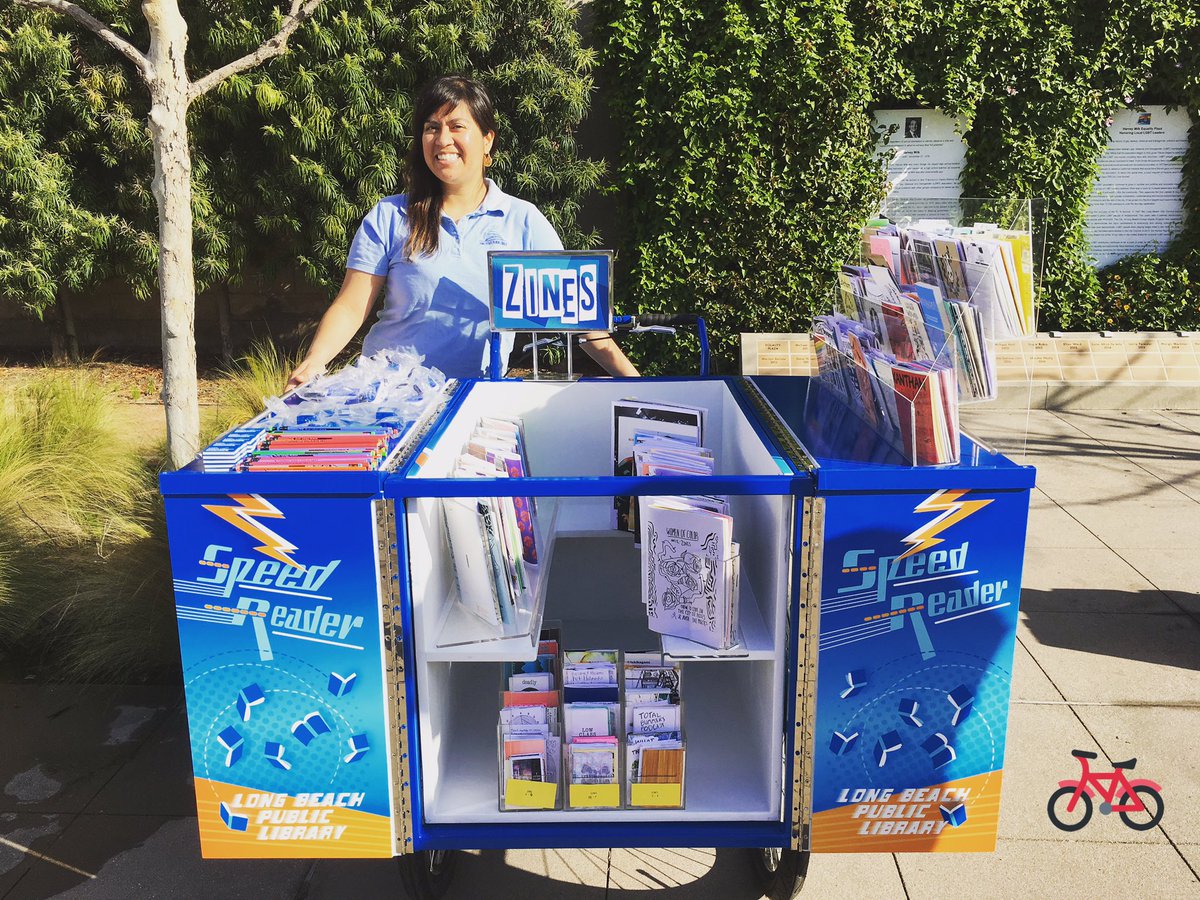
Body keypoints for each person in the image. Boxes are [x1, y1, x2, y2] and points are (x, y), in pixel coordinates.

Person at [287, 75, 638, 387]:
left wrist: (638, 383)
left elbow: (581, 319)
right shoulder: (390, 215)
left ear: (487, 140)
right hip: (390, 395)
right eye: (431, 127)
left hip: (477, 399)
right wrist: (312, 364)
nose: (443, 139)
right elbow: (351, 307)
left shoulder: (523, 221)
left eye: (457, 126)